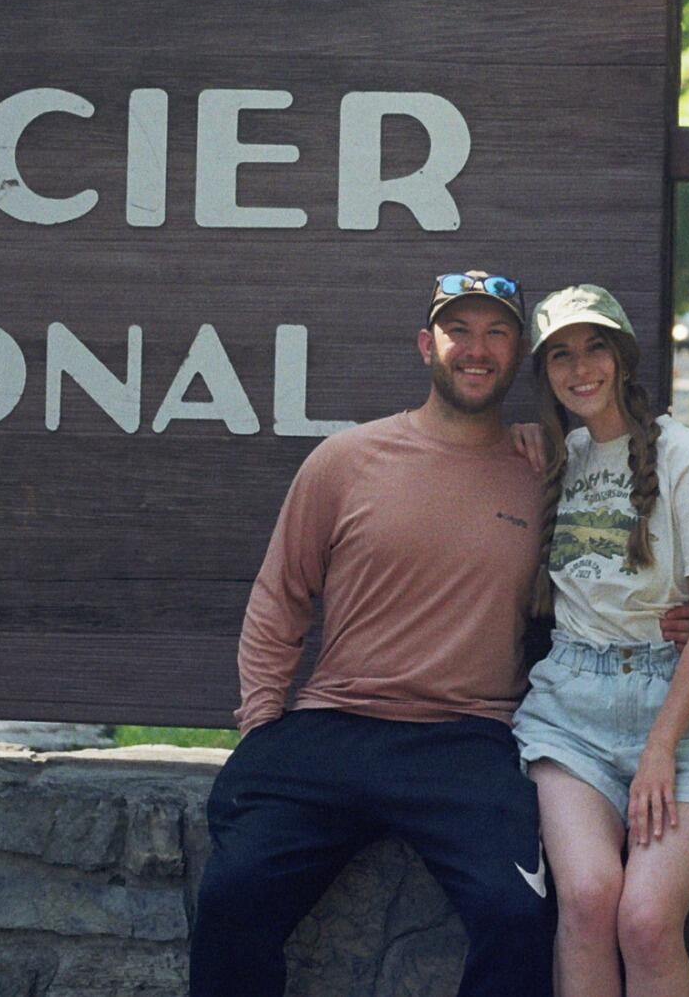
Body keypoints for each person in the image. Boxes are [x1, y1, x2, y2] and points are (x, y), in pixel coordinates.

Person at [188, 270, 556, 997]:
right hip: (335, 723)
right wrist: (262, 722)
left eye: (497, 333)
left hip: (469, 737)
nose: (476, 349)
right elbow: (280, 596)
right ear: (426, 345)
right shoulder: (345, 459)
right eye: (458, 331)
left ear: (518, 354)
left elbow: (611, 574)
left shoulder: (544, 470)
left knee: (519, 915)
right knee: (231, 895)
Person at [511, 284, 689, 997]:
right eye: (561, 355)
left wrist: (660, 748)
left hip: (678, 713)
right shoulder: (558, 456)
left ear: (622, 357)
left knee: (646, 920)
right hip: (571, 713)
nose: (580, 368)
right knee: (588, 900)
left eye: (595, 348)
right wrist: (518, 438)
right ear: (545, 373)